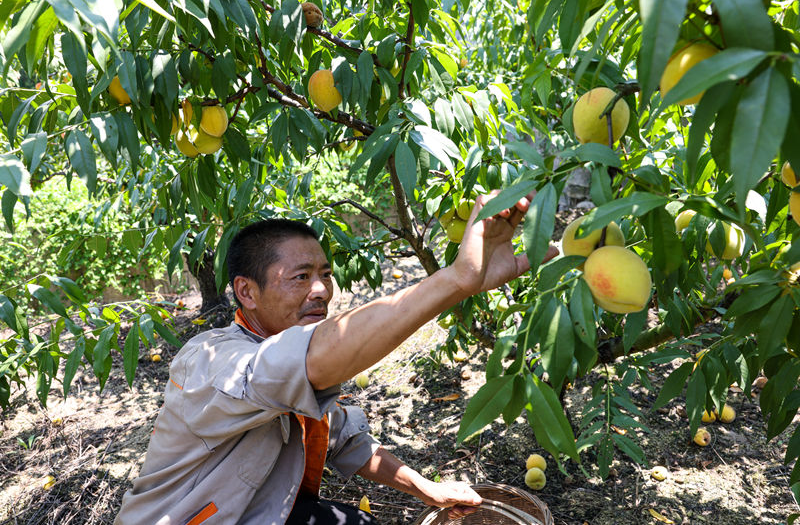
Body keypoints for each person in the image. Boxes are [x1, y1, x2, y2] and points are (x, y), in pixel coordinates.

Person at [115, 192, 557, 524]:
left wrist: (428, 489)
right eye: (300, 277)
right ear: (247, 291)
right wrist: (456, 280)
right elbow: (302, 363)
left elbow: (348, 441)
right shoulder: (210, 360)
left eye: (325, 274)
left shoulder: (289, 349)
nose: (322, 289)